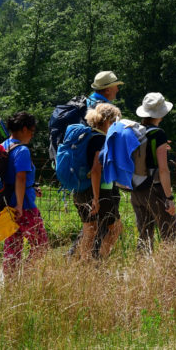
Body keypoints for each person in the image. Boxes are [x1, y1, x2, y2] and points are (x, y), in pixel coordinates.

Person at [1, 111, 49, 277]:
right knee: (41, 245)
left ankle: (11, 283)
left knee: (12, 247)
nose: (32, 135)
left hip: (8, 206)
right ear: (24, 129)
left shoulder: (5, 145)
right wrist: (20, 205)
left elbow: (12, 178)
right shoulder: (22, 150)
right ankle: (28, 277)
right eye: (32, 131)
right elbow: (20, 178)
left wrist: (32, 187)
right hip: (24, 206)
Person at [73, 102, 123, 260]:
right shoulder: (100, 139)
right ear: (108, 120)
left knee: (90, 229)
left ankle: (84, 265)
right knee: (115, 229)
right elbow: (96, 169)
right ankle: (99, 262)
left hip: (79, 189)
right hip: (99, 191)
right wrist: (96, 198)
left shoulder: (87, 136)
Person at [130, 93, 176, 252]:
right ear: (161, 114)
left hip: (136, 190)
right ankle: (171, 270)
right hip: (155, 189)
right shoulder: (158, 133)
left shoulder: (135, 130)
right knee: (169, 232)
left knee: (144, 235)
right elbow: (163, 170)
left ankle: (143, 271)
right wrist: (169, 197)